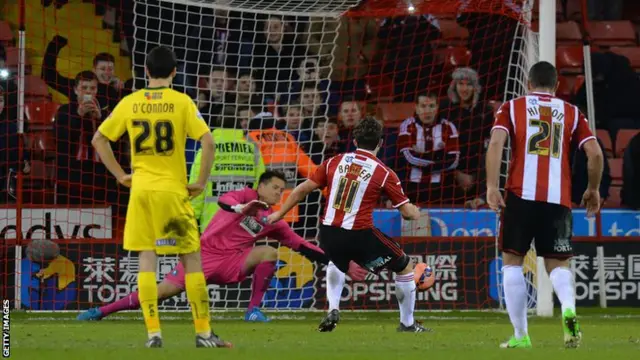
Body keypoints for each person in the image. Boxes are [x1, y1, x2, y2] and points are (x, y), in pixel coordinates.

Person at [77, 171, 367, 322]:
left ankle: (253, 310)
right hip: (202, 257)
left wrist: (342, 263)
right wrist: (245, 207)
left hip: (232, 262)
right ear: (262, 186)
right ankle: (101, 312)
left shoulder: (274, 219)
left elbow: (304, 247)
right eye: (276, 188)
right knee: (158, 294)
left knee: (269, 252)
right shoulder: (244, 195)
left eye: (283, 190)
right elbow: (225, 204)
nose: (280, 194)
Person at [91, 46, 230, 349]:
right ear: (174, 72)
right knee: (192, 260)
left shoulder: (131, 102)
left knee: (146, 258)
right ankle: (204, 333)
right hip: (171, 191)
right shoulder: (181, 102)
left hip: (140, 191)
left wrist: (120, 175)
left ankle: (154, 333)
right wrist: (201, 181)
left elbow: (99, 139)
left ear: (145, 71)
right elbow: (207, 141)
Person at [266, 117, 426, 333]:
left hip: (328, 232)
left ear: (354, 140)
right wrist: (416, 212)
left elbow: (302, 190)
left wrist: (279, 214)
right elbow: (407, 213)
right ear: (380, 143)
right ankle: (407, 324)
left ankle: (333, 308)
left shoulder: (334, 162)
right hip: (360, 235)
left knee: (337, 262)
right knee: (405, 267)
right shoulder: (384, 173)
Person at [486, 61, 603, 349]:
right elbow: (596, 154)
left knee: (512, 263)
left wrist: (491, 186)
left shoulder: (511, 107)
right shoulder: (572, 112)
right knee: (558, 265)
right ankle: (568, 311)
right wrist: (593, 189)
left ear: (527, 83)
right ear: (557, 85)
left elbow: (496, 144)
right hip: (557, 199)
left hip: (520, 195)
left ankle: (520, 335)